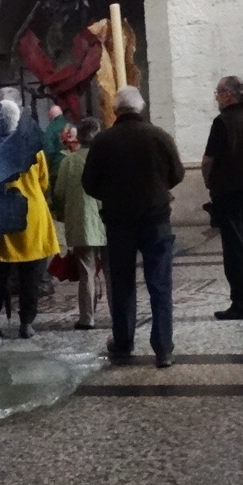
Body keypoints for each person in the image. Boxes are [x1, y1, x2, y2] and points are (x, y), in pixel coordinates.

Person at [82, 86, 185, 368]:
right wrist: (157, 189)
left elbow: (89, 183)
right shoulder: (159, 136)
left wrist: (112, 196)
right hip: (155, 220)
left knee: (122, 284)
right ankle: (163, 348)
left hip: (119, 223)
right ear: (141, 108)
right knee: (160, 284)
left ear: (116, 110)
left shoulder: (103, 141)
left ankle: (123, 343)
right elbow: (177, 173)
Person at [0, 98, 59, 338]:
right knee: (31, 275)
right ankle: (26, 322)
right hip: (32, 214)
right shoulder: (33, 147)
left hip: (2, 215)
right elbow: (43, 181)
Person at [203, 75, 243, 320]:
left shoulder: (222, 122)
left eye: (218, 94)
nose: (217, 99)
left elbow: (208, 160)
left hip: (229, 190)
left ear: (227, 95)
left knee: (235, 249)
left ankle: (241, 304)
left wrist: (209, 182)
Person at [51, 117, 106, 329]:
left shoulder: (69, 162)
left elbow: (59, 193)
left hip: (82, 223)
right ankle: (119, 316)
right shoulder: (106, 158)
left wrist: (65, 216)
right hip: (109, 222)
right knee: (112, 273)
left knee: (86, 273)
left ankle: (87, 318)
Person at [42, 103, 71, 179]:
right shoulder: (72, 125)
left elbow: (49, 150)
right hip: (72, 166)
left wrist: (48, 167)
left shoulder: (50, 129)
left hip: (57, 168)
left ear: (50, 115)